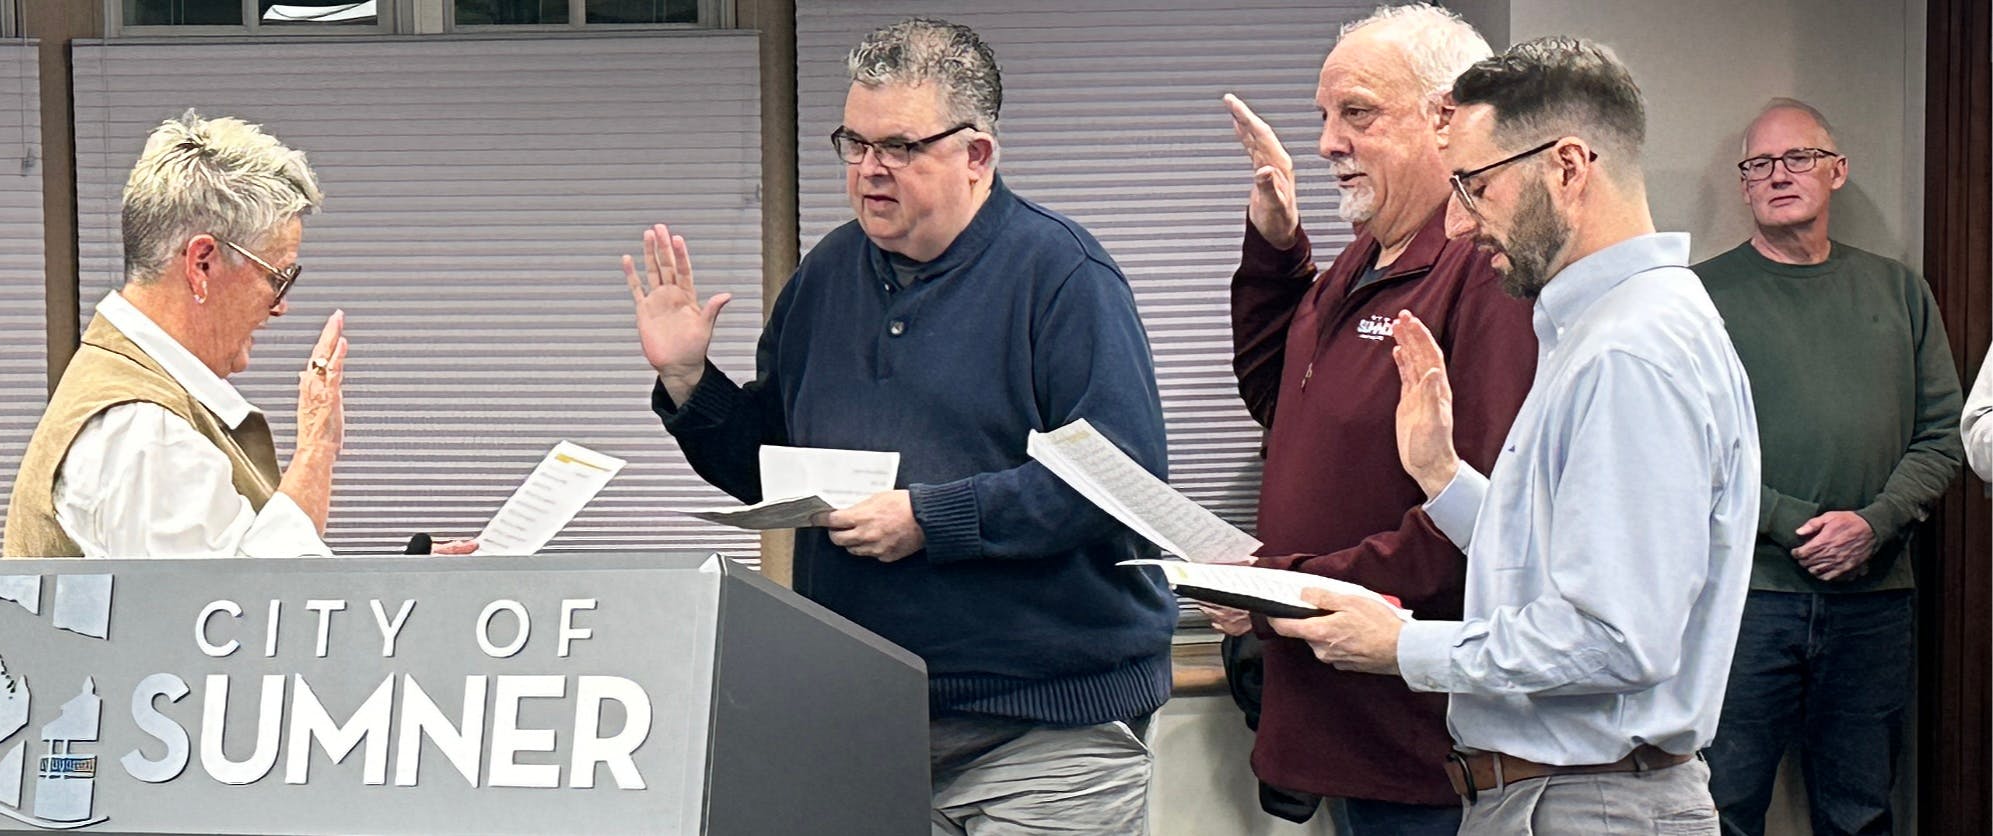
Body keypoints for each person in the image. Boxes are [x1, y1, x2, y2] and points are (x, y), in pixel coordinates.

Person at [625, 17, 1170, 832]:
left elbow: (1117, 482)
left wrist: (930, 519)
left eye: (901, 147)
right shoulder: (826, 276)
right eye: (854, 142)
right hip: (869, 719)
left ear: (976, 155)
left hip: (1043, 735)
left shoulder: (1061, 275)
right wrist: (688, 379)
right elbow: (772, 465)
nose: (870, 170)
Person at [1274, 37, 1760, 835]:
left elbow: (1613, 638)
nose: (1458, 224)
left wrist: (1402, 646)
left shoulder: (1631, 351)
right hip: (1560, 798)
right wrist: (1444, 479)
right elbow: (1565, 561)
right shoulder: (1598, 328)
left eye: (1475, 186)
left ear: (1567, 166)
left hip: (1590, 802)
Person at [1210, 7, 1531, 833]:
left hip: (1420, 742)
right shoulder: (1366, 252)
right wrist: (1278, 250)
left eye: (1356, 113)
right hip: (1334, 714)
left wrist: (1282, 584)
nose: (1324, 143)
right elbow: (1281, 403)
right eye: (1324, 116)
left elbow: (1473, 518)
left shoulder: (1482, 272)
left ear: (1446, 118)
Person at [1696, 98, 1960, 836]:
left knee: (1860, 812)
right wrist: (1790, 523)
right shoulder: (1697, 298)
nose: (1778, 175)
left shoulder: (1899, 290)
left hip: (1875, 602)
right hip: (1745, 598)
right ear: (1743, 185)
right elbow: (1685, 451)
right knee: (1720, 808)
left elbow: (1943, 434)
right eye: (1759, 164)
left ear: (1836, 171)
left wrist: (1873, 526)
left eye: (1798, 158)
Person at [4, 111, 354, 559]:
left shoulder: (135, 402)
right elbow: (247, 614)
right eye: (278, 276)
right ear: (202, 263)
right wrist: (316, 448)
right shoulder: (147, 432)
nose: (281, 305)